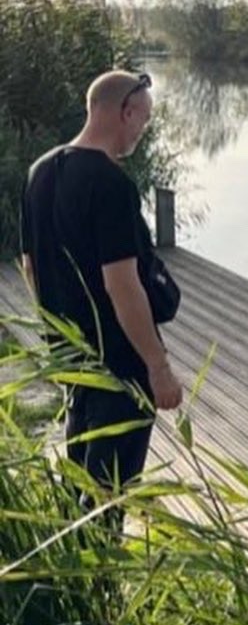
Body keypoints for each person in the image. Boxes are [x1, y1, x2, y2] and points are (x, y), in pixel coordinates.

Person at [19, 70, 183, 505]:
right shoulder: (112, 184)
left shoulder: (39, 173)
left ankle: (75, 547)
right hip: (119, 362)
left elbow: (30, 266)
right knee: (111, 492)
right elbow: (122, 284)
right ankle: (100, 553)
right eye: (144, 118)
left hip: (72, 353)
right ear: (125, 112)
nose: (143, 130)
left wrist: (58, 331)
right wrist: (158, 367)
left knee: (80, 476)